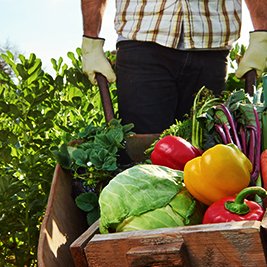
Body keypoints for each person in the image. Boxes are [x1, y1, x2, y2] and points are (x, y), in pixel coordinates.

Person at [80, 0, 267, 134]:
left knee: (205, 150)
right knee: (143, 153)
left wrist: (262, 33)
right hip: (142, 41)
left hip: (211, 44)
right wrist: (91, 40)